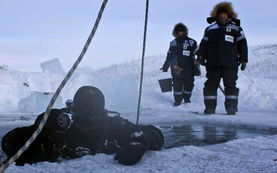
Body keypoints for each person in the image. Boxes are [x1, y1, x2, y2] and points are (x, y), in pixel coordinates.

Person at [1, 86, 164, 166]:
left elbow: (154, 133)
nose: (86, 121)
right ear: (72, 110)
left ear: (102, 113)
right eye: (81, 114)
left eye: (92, 115)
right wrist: (40, 128)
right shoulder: (60, 123)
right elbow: (9, 143)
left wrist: (140, 143)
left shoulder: (112, 125)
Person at [196, 2, 248, 115]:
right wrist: (201, 56)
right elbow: (204, 44)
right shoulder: (210, 29)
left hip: (230, 63)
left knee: (230, 85)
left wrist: (244, 59)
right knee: (210, 85)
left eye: (225, 14)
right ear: (217, 15)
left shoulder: (236, 28)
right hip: (213, 63)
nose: (223, 16)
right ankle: (209, 108)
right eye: (221, 14)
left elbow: (242, 45)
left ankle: (231, 108)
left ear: (229, 15)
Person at [161, 23, 200, 106]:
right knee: (177, 85)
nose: (180, 33)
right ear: (175, 33)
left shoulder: (191, 42)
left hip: (189, 67)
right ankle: (177, 101)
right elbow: (169, 56)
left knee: (189, 84)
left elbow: (198, 53)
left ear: (185, 32)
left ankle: (187, 99)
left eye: (181, 31)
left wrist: (199, 62)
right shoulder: (173, 43)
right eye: (178, 32)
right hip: (176, 68)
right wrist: (165, 66)